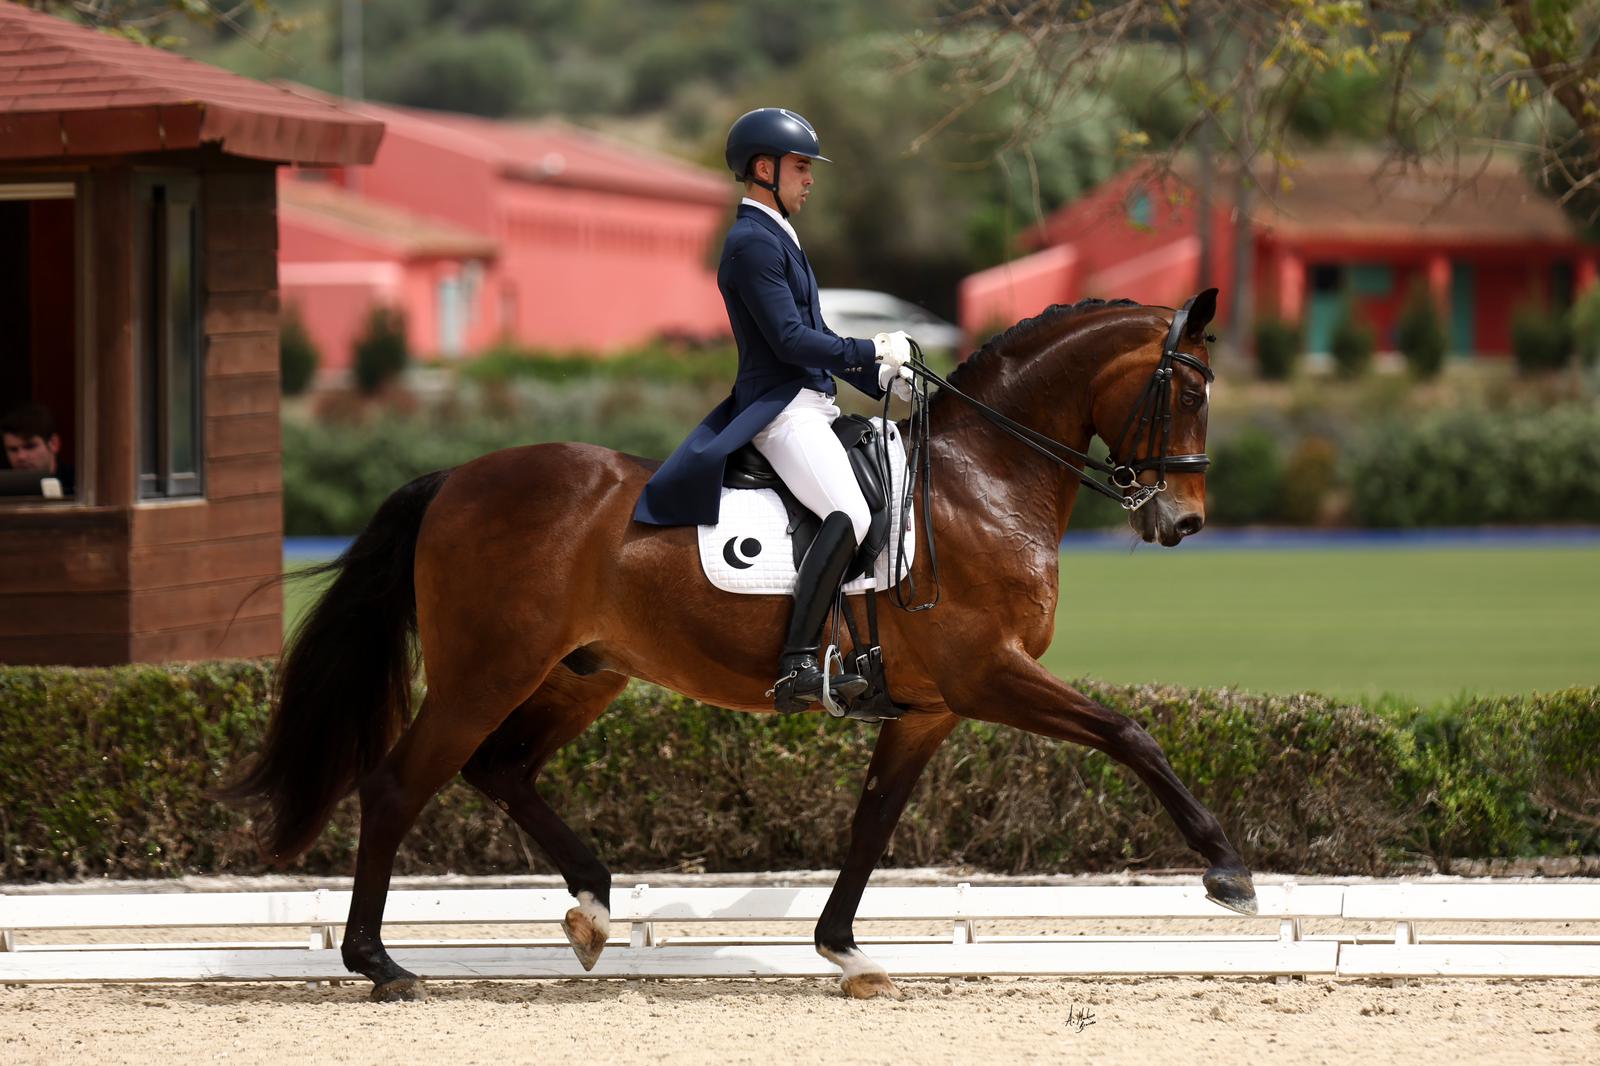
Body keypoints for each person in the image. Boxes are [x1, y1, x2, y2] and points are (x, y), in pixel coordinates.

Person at [634, 107, 914, 713]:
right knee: (851, 511)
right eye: (800, 166)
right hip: (782, 410)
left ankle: (865, 651)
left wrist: (881, 369)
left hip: (814, 403)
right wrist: (868, 347)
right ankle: (798, 667)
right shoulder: (750, 244)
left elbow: (814, 337)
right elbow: (789, 340)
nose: (810, 178)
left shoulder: (777, 236)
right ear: (765, 169)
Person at [1, 402, 74, 496]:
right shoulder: (5, 489)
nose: (21, 457)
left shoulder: (79, 483)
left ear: (54, 444)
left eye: (30, 447)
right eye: (13, 449)